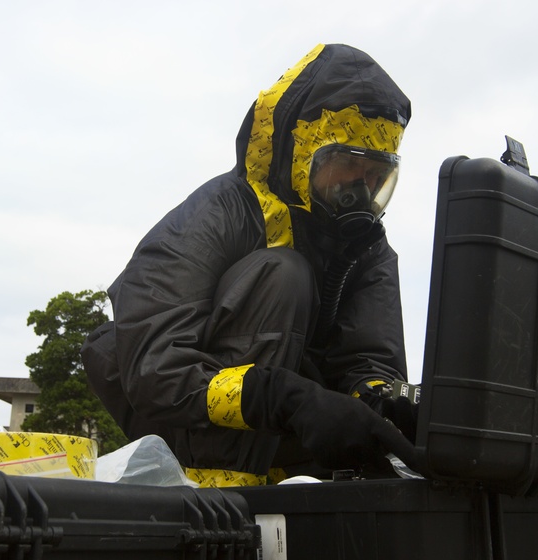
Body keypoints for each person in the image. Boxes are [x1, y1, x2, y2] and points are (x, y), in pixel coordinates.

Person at [82, 43, 418, 487]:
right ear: (302, 154)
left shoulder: (368, 247)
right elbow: (156, 367)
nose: (363, 187)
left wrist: (381, 401)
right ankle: (221, 489)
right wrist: (280, 396)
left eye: (376, 173)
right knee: (285, 273)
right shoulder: (223, 212)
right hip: (179, 419)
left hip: (285, 431)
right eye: (349, 165)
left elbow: (371, 356)